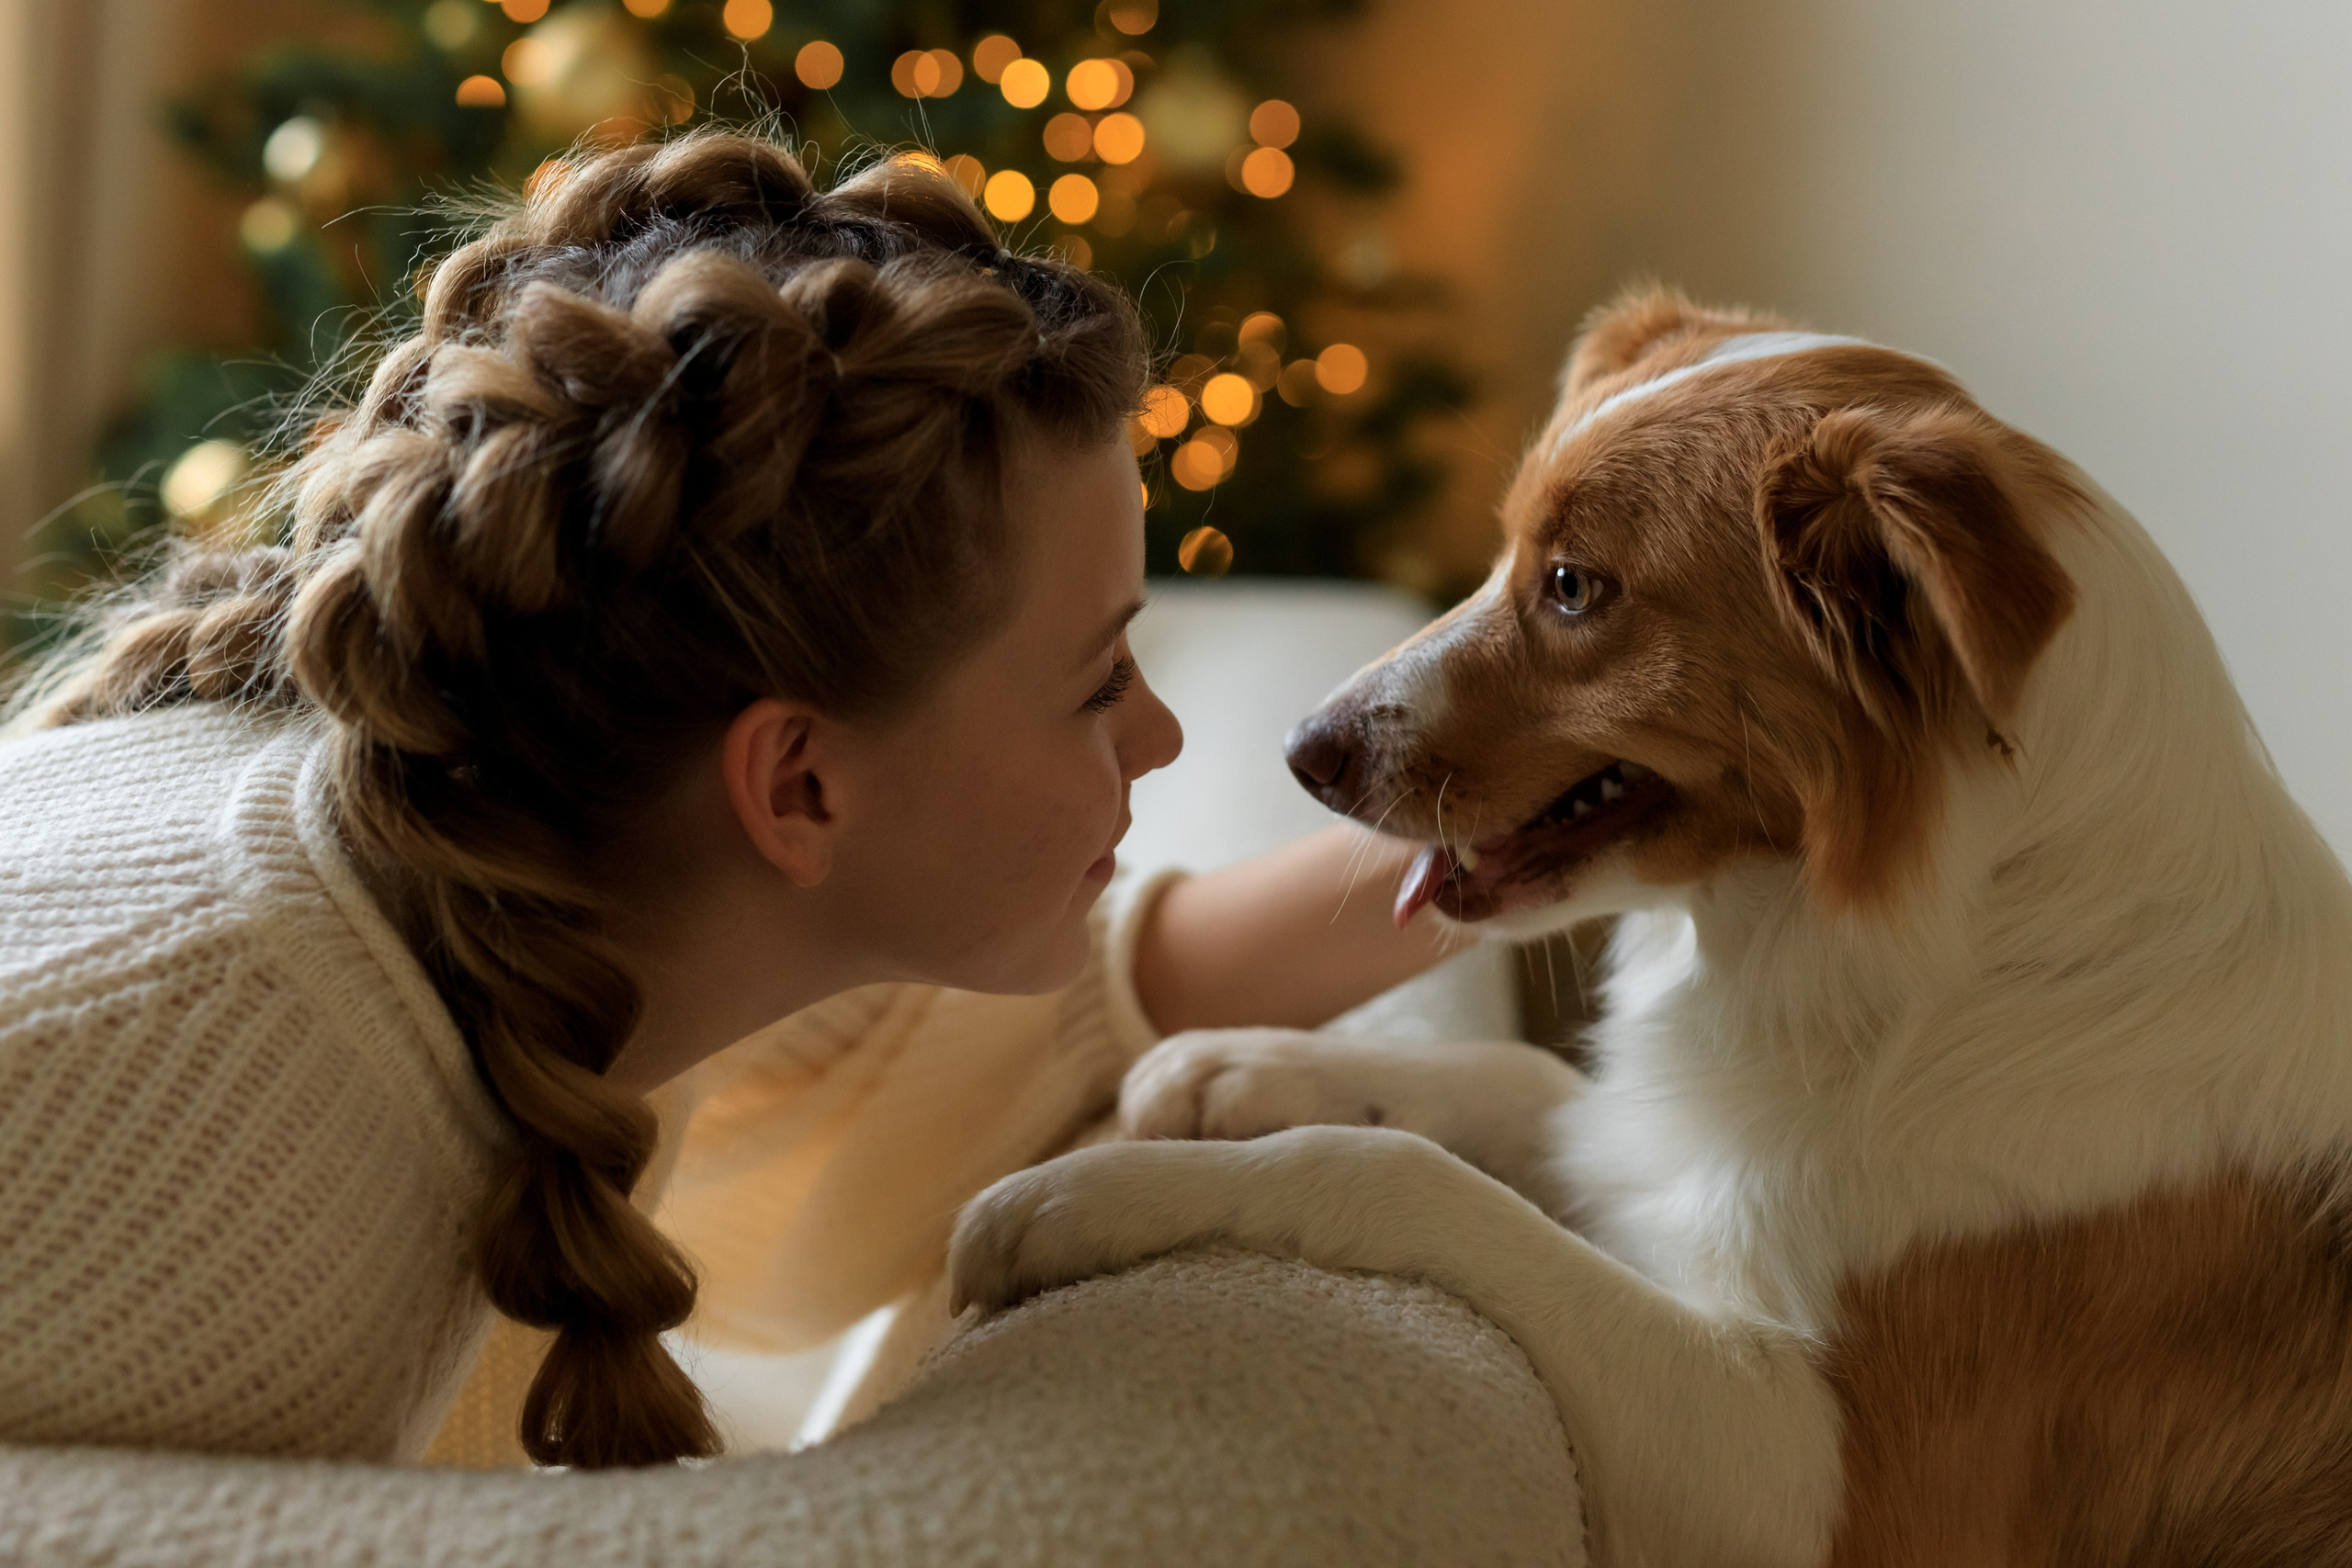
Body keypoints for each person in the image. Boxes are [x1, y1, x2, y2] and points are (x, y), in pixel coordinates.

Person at [0, 130, 1459, 1472]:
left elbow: (1037, 1030)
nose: (1162, 733)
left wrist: (1538, 806)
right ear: (798, 784)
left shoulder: (566, 851)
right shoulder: (246, 1200)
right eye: (1098, 680)